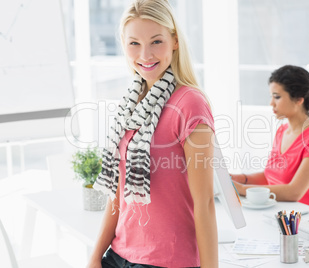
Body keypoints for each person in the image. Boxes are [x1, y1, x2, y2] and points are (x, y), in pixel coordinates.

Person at [87, 1, 218, 267]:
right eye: (134, 43)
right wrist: (94, 256)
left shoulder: (190, 104)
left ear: (175, 41)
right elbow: (118, 193)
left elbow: (204, 204)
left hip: (166, 260)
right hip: (117, 255)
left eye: (156, 41)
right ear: (123, 45)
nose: (145, 55)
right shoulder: (131, 104)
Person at [232, 65, 309, 213]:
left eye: (277, 97)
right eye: (271, 96)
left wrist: (241, 189)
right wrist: (237, 178)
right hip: (285, 213)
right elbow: (270, 177)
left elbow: (294, 192)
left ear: (299, 99)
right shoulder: (282, 131)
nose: (271, 103)